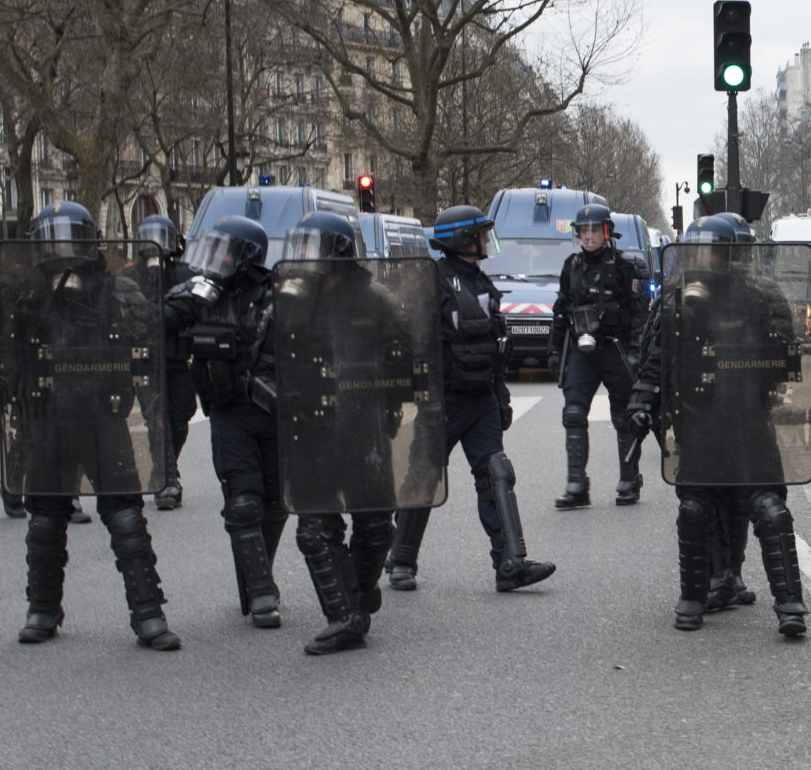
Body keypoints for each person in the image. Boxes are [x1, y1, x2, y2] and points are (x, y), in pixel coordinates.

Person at [0, 203, 179, 650]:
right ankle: (42, 608)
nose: (62, 250)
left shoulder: (116, 292)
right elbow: (11, 359)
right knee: (44, 518)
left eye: (69, 239)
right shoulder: (27, 298)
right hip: (49, 417)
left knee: (124, 515)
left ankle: (147, 614)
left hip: (103, 413)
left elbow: (147, 344)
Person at [627, 213, 807, 635]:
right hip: (699, 418)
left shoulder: (763, 295)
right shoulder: (677, 296)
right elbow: (657, 358)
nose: (704, 257)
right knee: (695, 506)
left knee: (769, 507)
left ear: (734, 254)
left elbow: (788, 358)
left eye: (713, 250)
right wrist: (641, 401)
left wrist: (760, 366)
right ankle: (695, 595)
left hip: (748, 415)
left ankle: (790, 606)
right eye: (699, 249)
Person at [384, 206, 555, 594]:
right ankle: (402, 559)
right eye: (481, 235)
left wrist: (501, 396)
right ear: (464, 239)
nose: (486, 242)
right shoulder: (432, 282)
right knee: (423, 478)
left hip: (480, 400)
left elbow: (495, 349)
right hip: (442, 400)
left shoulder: (481, 283)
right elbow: (410, 343)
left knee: (496, 473)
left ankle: (510, 561)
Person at [273, 212, 421, 655]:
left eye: (313, 247)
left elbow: (406, 356)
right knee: (315, 529)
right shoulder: (290, 298)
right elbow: (266, 357)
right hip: (310, 429)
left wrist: (400, 391)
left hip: (362, 427)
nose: (304, 258)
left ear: (337, 252)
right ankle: (344, 617)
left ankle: (357, 596)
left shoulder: (375, 299)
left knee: (375, 524)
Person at [165, 214, 289, 628]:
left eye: (225, 249)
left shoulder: (279, 294)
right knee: (242, 501)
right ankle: (262, 594)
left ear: (246, 256)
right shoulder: (204, 292)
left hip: (274, 413)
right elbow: (157, 320)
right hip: (229, 411)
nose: (215, 257)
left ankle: (255, 578)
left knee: (275, 503)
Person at [550, 203, 651, 508]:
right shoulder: (572, 266)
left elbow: (640, 314)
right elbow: (561, 311)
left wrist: (637, 352)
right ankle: (577, 484)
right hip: (584, 347)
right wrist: (555, 350)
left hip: (616, 347)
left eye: (595, 230)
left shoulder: (625, 266)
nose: (589, 236)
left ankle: (629, 479)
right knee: (573, 413)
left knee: (624, 417)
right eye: (584, 230)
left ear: (607, 231)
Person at [137, 214, 196, 510]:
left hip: (177, 359)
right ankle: (167, 481)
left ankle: (165, 466)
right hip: (147, 360)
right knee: (155, 419)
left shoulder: (184, 273)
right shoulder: (133, 275)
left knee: (182, 415)